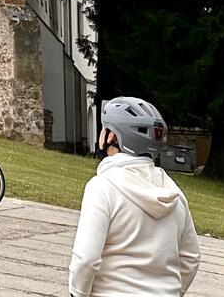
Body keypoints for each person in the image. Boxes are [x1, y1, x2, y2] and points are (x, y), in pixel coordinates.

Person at [66, 97, 200, 297]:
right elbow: (190, 258)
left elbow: (86, 259)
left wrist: (78, 293)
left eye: (105, 128)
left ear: (113, 137)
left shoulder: (103, 188)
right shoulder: (175, 195)